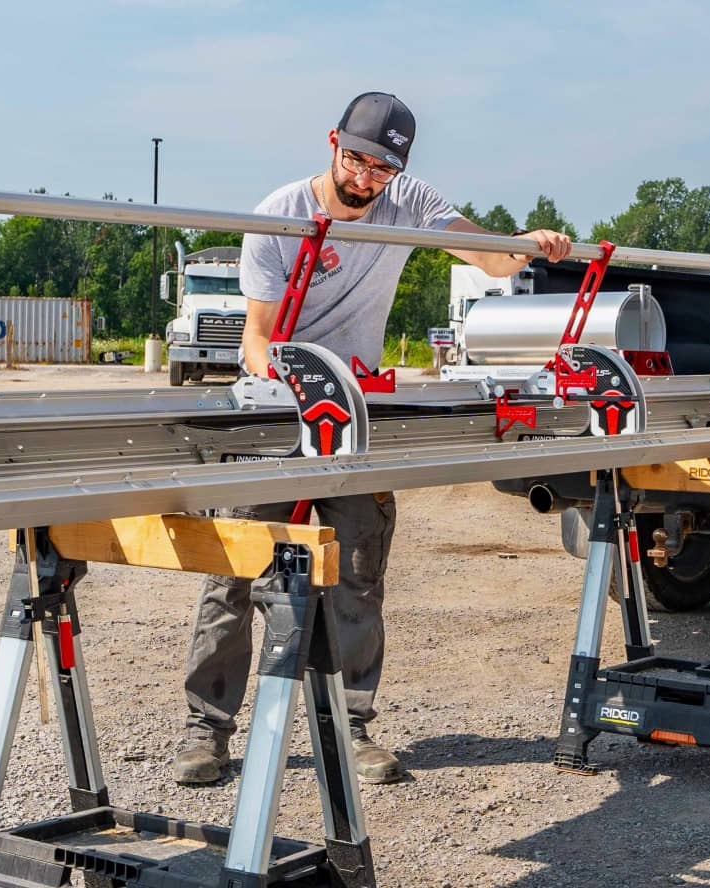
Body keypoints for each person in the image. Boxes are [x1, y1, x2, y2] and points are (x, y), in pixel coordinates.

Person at [174, 91, 572, 786]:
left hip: (353, 415)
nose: (365, 179)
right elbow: (256, 338)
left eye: (381, 169)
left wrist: (531, 244)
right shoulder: (279, 216)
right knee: (234, 571)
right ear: (333, 142)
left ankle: (349, 727)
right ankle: (206, 730)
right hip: (277, 406)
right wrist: (294, 390)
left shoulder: (406, 202)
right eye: (356, 160)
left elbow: (489, 259)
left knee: (358, 571)